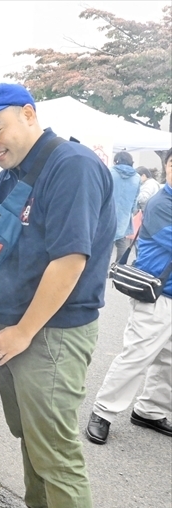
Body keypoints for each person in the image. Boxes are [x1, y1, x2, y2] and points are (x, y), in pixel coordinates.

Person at [0, 83, 116, 508]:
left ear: (28, 114)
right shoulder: (9, 175)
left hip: (52, 331)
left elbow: (70, 260)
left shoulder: (73, 166)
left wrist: (23, 330)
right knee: (29, 436)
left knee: (57, 454)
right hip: (11, 325)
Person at [86, 148, 172, 445]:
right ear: (167, 167)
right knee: (137, 356)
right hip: (157, 295)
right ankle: (103, 411)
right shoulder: (162, 203)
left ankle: (149, 410)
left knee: (168, 360)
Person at [111, 151, 141, 261]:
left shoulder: (110, 172)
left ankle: (103, 270)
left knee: (107, 243)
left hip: (108, 212)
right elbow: (135, 198)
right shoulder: (137, 177)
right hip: (125, 214)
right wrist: (132, 211)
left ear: (116, 161)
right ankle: (118, 268)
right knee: (122, 242)